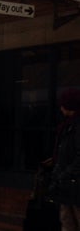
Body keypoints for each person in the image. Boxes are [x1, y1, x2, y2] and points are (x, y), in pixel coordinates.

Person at [50, 88, 80, 230]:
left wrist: (64, 174)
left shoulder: (75, 126)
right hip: (66, 183)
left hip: (74, 183)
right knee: (66, 220)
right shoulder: (67, 126)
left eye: (63, 104)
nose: (61, 108)